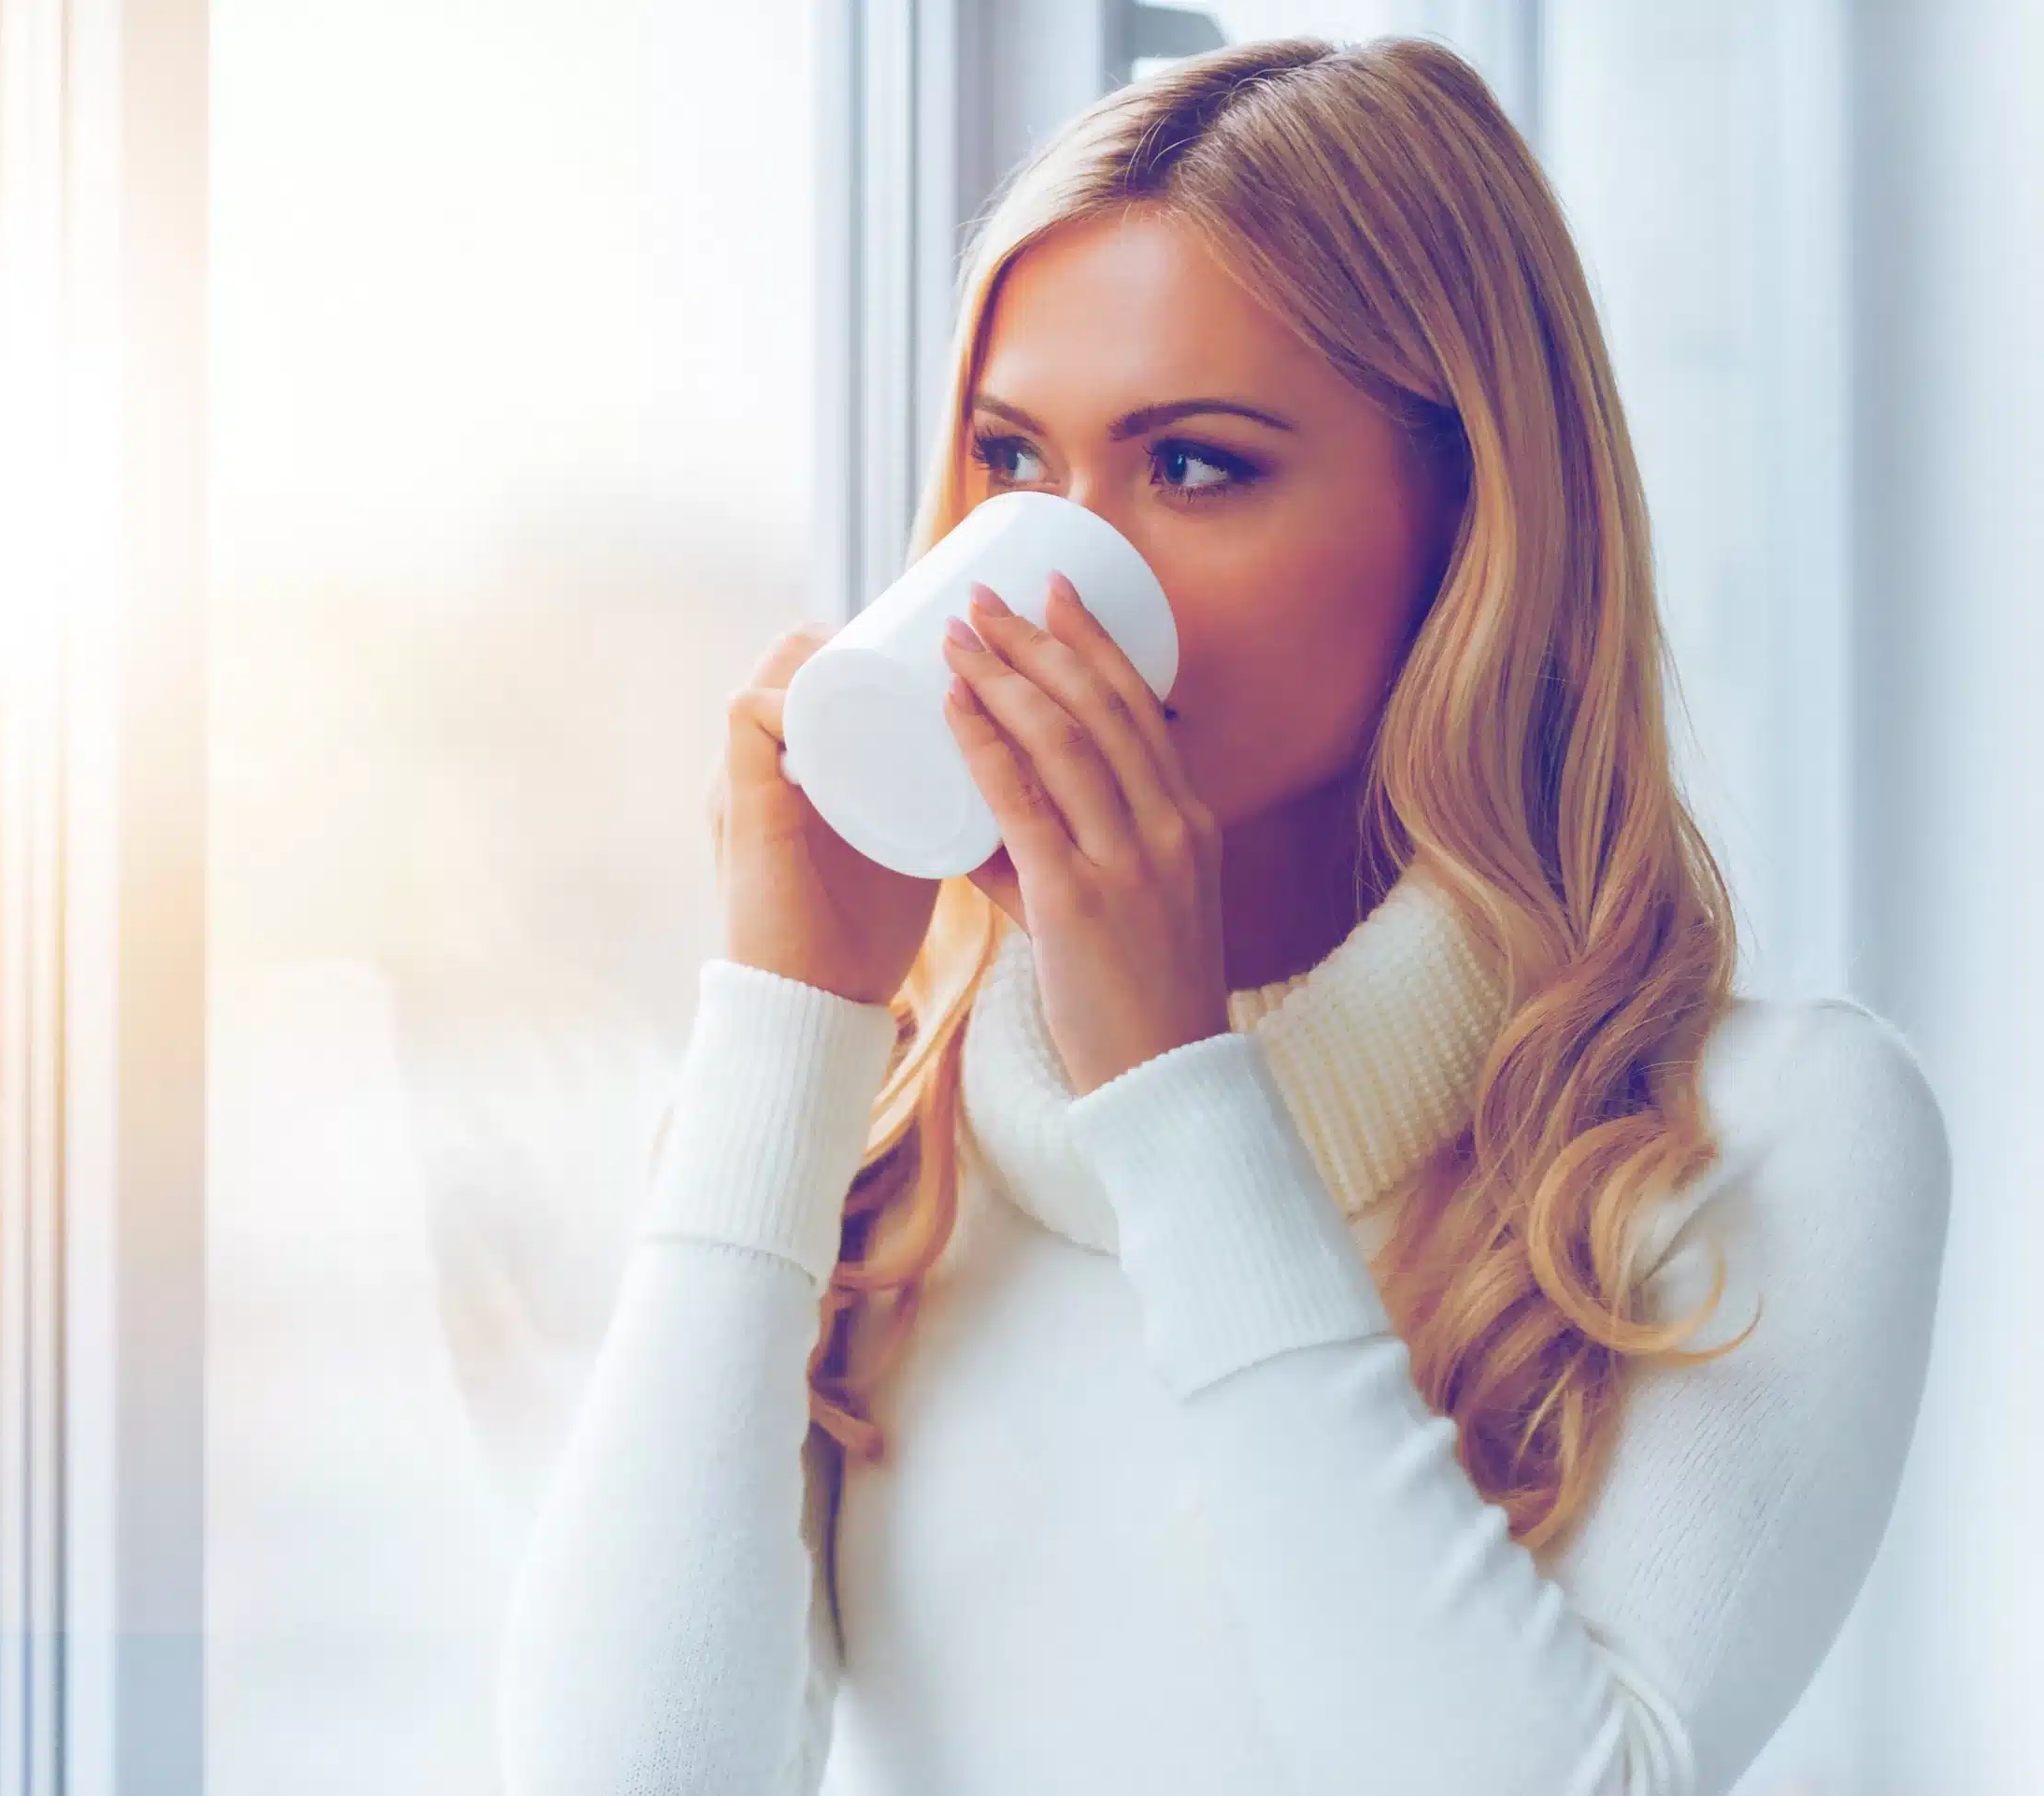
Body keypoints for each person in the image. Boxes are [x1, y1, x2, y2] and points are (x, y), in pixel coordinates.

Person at [493, 33, 1950, 1796]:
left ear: (1472, 523)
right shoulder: (886, 1125)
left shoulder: (1761, 1134)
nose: (1053, 580)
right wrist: (786, 1019)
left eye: (1194, 466)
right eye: (1013, 465)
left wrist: (1174, 1085)